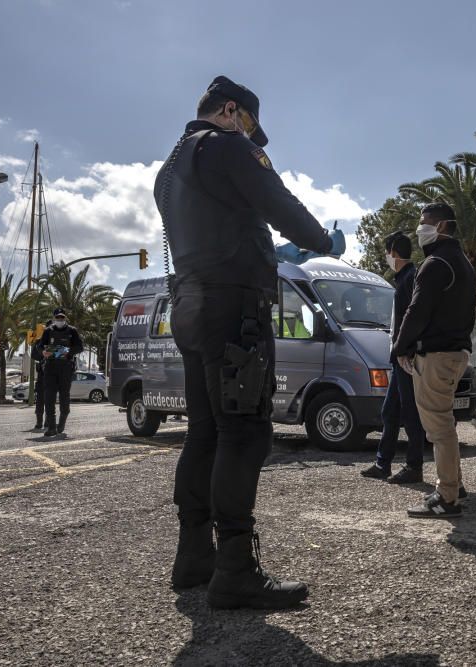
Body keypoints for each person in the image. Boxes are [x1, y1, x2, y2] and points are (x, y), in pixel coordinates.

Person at [153, 75, 345, 609]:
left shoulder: (170, 169)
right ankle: (235, 568)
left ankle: (194, 555)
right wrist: (319, 240)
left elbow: (218, 226)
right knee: (245, 433)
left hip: (193, 308)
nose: (251, 136)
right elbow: (277, 202)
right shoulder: (227, 146)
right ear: (230, 110)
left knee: (205, 434)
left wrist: (270, 253)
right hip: (235, 308)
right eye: (249, 125)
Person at [392, 203, 476, 519]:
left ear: (441, 226)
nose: (419, 228)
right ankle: (453, 487)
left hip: (436, 356)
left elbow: (416, 312)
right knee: (446, 425)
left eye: (424, 222)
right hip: (456, 353)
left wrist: (400, 348)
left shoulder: (435, 263)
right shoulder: (463, 264)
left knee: (438, 429)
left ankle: (447, 498)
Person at [361, 231, 427, 484]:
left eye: (387, 252)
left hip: (405, 358)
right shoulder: (404, 279)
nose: (387, 257)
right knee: (390, 412)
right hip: (398, 357)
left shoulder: (409, 279)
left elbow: (414, 319)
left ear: (394, 253)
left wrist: (405, 351)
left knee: (410, 413)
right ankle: (383, 463)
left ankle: (414, 466)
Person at [39, 307, 84, 437]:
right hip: (50, 367)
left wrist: (68, 351)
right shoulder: (48, 331)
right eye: (58, 317)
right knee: (49, 397)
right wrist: (43, 352)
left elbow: (80, 347)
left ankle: (62, 422)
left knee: (64, 397)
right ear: (54, 318)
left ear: (65, 318)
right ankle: (51, 427)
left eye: (62, 317)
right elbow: (40, 345)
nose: (60, 320)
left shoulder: (72, 331)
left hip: (65, 367)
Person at [32, 319, 52, 431]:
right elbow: (34, 355)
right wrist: (43, 354)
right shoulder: (40, 341)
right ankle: (39, 422)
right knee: (40, 400)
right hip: (42, 375)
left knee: (50, 400)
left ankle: (48, 422)